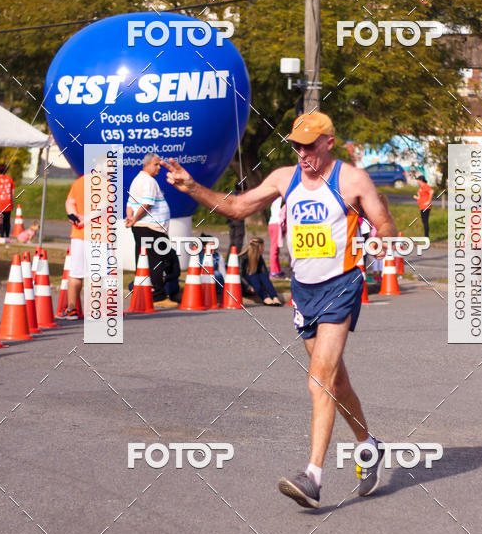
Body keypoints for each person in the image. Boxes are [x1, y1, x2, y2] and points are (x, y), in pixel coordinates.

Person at [163, 111, 398, 509]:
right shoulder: (283, 178)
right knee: (336, 382)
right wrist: (192, 187)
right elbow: (237, 207)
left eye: (309, 145)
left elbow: (386, 224)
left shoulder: (352, 180)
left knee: (319, 380)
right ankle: (368, 444)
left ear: (328, 142)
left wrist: (379, 242)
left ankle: (313, 476)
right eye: (296, 146)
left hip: (341, 285)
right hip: (304, 291)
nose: (302, 153)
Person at [125, 153, 177, 308]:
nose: (159, 167)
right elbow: (147, 204)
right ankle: (158, 295)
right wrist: (134, 219)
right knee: (158, 261)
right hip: (152, 228)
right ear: (146, 165)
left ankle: (144, 292)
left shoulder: (137, 180)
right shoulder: (149, 181)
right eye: (156, 164)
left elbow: (130, 204)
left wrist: (130, 218)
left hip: (142, 228)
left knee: (144, 261)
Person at [62, 174, 86, 319]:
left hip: (79, 233)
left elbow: (70, 202)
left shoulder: (79, 182)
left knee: (76, 273)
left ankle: (71, 309)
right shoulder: (107, 184)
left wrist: (74, 216)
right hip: (100, 235)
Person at [240, 236, 281, 305]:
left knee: (263, 275)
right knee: (252, 276)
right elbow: (240, 276)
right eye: (263, 247)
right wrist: (249, 287)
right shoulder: (242, 258)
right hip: (245, 287)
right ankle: (265, 297)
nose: (263, 249)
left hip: (256, 285)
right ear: (258, 248)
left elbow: (264, 272)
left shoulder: (259, 257)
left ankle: (274, 296)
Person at [268, 195, 286, 277]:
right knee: (274, 249)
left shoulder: (275, 199)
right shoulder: (280, 198)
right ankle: (273, 271)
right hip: (276, 224)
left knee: (276, 249)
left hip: (272, 223)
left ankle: (277, 269)